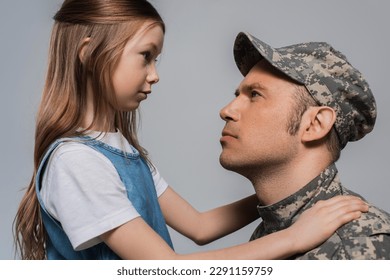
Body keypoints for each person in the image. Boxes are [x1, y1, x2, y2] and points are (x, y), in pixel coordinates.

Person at [13, 0, 368, 260]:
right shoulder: (76, 162)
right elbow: (166, 268)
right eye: (145, 56)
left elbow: (200, 228)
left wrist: (289, 194)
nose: (154, 74)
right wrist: (294, 237)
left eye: (157, 59)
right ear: (89, 54)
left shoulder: (124, 152)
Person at [219, 31, 390, 259]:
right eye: (238, 95)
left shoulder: (355, 247)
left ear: (315, 124)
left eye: (255, 95)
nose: (226, 111)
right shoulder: (270, 233)